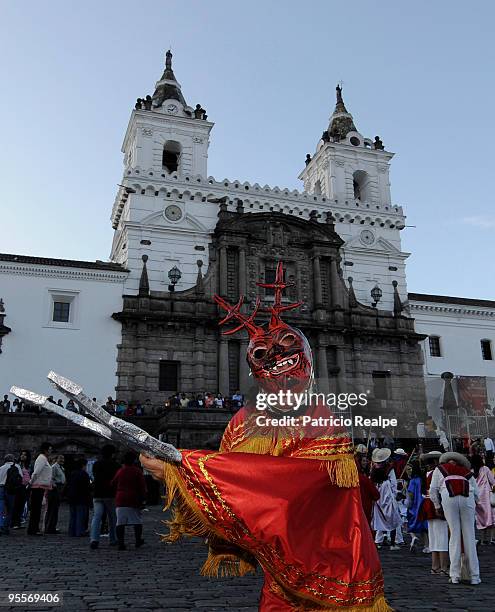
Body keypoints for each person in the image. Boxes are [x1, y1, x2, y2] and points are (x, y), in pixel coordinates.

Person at [141, 264, 390, 610]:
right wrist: (175, 477)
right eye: (262, 353)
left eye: (285, 346)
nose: (274, 356)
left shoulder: (323, 417)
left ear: (303, 356)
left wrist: (188, 467)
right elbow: (232, 503)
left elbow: (295, 485)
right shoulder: (242, 422)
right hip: (280, 577)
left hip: (332, 561)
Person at [430, 451, 480, 585]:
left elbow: (433, 489)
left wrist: (437, 506)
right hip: (467, 496)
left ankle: (455, 575)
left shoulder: (439, 469)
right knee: (469, 535)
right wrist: (476, 504)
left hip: (448, 495)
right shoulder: (466, 471)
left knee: (454, 535)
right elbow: (477, 494)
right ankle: (474, 576)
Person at [418, 451, 449, 575]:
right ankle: (443, 567)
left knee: (434, 537)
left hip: (427, 505)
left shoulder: (426, 473)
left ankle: (435, 566)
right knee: (441, 536)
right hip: (437, 505)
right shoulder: (439, 473)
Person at [111, 451, 146, 551]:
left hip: (121, 498)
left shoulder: (120, 471)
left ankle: (121, 543)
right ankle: (138, 540)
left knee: (120, 522)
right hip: (133, 498)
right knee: (137, 521)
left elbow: (113, 483)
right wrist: (143, 498)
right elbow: (142, 486)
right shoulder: (137, 471)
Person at [370, 447, 402, 550]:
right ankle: (392, 543)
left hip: (378, 493)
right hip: (387, 493)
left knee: (379, 517)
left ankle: (379, 540)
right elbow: (393, 483)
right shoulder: (389, 468)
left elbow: (371, 481)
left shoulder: (374, 468)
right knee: (392, 517)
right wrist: (395, 493)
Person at [90, 445, 120, 549]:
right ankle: (113, 538)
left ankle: (94, 538)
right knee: (112, 518)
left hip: (98, 493)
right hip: (110, 494)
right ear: (112, 454)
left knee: (96, 517)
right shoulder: (116, 465)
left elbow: (94, 476)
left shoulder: (96, 464)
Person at [28, 442, 53, 535]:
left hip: (41, 486)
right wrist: (30, 482)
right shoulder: (42, 458)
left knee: (37, 509)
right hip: (37, 486)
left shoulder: (44, 459)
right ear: (45, 450)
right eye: (50, 449)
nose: (51, 451)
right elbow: (36, 472)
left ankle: (34, 528)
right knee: (36, 509)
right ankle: (33, 529)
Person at [470, 454, 495, 544]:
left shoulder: (471, 471)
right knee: (490, 516)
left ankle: (482, 540)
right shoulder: (485, 469)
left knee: (480, 517)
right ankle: (491, 539)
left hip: (477, 496)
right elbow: (493, 481)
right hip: (486, 495)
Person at [66, 457, 91, 537]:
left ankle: (72, 531)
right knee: (81, 515)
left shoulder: (72, 473)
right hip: (81, 497)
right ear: (83, 465)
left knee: (73, 515)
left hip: (72, 497)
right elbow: (87, 487)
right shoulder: (84, 474)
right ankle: (79, 531)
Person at [406, 462, 427, 551]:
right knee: (424, 527)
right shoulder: (422, 479)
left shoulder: (413, 481)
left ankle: (414, 537)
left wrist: (408, 504)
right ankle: (427, 545)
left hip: (415, 505)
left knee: (410, 525)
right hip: (423, 504)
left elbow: (411, 494)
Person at [0, 454, 23, 534]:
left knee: (1, 508)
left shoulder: (1, 468)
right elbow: (20, 478)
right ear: (13, 459)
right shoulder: (17, 466)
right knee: (10, 509)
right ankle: (5, 527)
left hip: (1, 488)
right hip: (11, 490)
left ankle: (1, 525)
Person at [356, 452, 380, 528]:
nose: (365, 462)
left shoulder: (345, 480)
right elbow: (376, 495)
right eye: (363, 461)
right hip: (364, 508)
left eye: (366, 461)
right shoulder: (364, 479)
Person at [44, 454, 65, 534]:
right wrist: (55, 485)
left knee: (55, 509)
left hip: (59, 489)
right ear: (56, 459)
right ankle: (49, 528)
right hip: (54, 490)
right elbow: (50, 478)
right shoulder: (54, 467)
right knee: (52, 509)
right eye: (60, 458)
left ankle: (52, 527)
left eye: (63, 458)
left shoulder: (61, 467)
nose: (62, 460)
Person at [11, 450, 31, 529]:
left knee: (22, 505)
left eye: (25, 455)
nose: (23, 456)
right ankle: (14, 523)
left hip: (26, 487)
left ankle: (18, 522)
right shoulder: (16, 464)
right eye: (22, 454)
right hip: (18, 487)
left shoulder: (29, 466)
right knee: (16, 504)